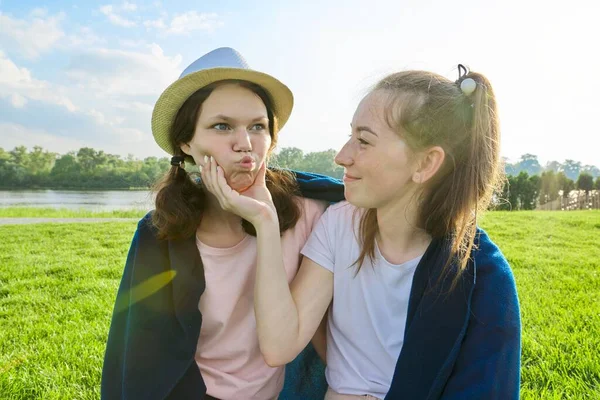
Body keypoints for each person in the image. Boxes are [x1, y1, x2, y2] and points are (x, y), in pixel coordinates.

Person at [202, 65, 521, 399]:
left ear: (426, 164)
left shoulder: (480, 273)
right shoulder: (340, 226)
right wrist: (265, 223)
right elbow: (279, 346)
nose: (342, 156)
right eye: (350, 136)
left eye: (364, 141)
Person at [101, 47, 343, 400]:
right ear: (186, 142)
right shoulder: (161, 233)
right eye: (221, 126)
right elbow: (139, 358)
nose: (244, 144)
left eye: (258, 127)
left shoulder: (315, 211)